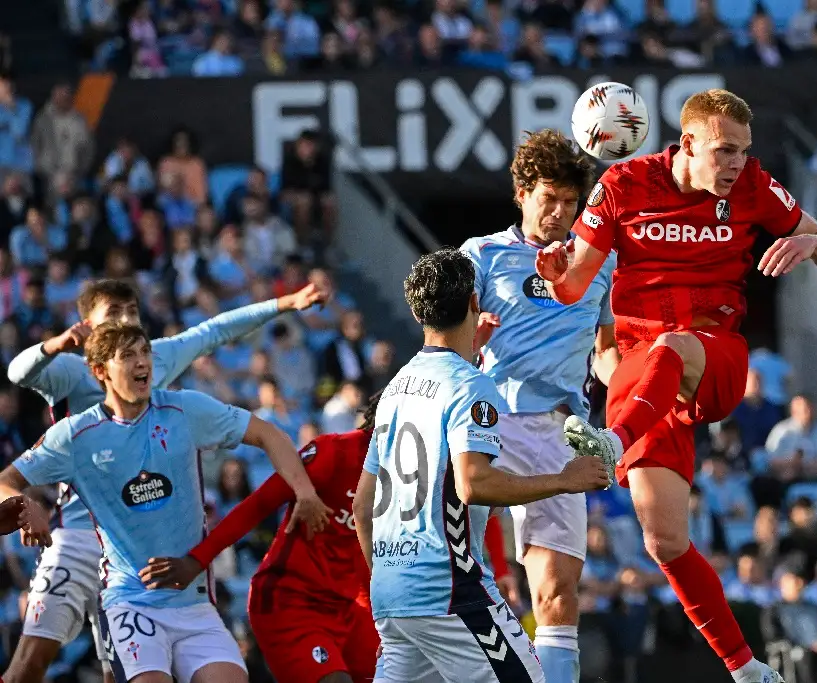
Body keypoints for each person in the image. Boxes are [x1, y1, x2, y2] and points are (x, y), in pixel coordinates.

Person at [536, 88, 817, 683]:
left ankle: (612, 441)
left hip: (712, 356)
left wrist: (811, 241)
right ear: (688, 143)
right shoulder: (624, 185)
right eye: (724, 150)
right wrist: (554, 275)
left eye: (743, 151)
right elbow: (572, 288)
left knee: (672, 346)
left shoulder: (753, 185)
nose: (736, 163)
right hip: (642, 376)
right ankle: (746, 668)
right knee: (665, 541)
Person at [2, 277, 327, 683]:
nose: (126, 320)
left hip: (166, 567)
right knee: (31, 662)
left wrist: (285, 303)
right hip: (79, 537)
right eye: (114, 313)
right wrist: (26, 506)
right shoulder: (70, 375)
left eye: (132, 312)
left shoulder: (171, 384)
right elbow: (16, 374)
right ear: (90, 339)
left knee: (118, 673)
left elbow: (216, 330)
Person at [351, 249, 610, 683]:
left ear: (417, 313)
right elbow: (473, 484)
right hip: (450, 593)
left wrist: (391, 583)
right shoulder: (471, 385)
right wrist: (564, 480)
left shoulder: (394, 390)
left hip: (392, 595)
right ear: (475, 302)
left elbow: (362, 507)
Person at [460, 128, 617, 683]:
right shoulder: (482, 255)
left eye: (571, 202)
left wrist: (630, 399)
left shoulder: (599, 261)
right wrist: (473, 339)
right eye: (549, 198)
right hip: (484, 425)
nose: (559, 212)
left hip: (560, 433)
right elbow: (442, 345)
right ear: (522, 194)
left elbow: (607, 354)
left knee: (557, 594)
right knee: (452, 582)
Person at [139, 393, 388, 683]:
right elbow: (257, 506)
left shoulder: (410, 479)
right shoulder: (335, 452)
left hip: (350, 608)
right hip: (291, 601)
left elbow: (367, 558)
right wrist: (196, 560)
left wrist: (382, 617)